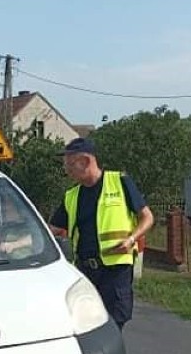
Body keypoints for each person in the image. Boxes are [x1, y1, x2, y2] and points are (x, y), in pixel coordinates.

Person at [49, 137, 154, 330]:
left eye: (71, 165)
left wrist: (132, 239)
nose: (67, 170)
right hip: (85, 272)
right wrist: (15, 241)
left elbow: (147, 218)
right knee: (85, 326)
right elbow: (51, 230)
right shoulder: (72, 196)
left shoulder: (120, 182)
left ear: (86, 162)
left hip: (115, 272)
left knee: (113, 327)